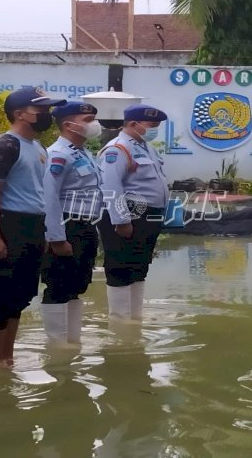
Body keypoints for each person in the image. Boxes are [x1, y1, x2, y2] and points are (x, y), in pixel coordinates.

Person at [0, 87, 66, 364]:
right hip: (7, 225)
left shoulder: (37, 147)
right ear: (19, 114)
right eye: (41, 110)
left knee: (19, 298)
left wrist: (46, 232)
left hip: (31, 227)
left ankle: (8, 358)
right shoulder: (5, 144)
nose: (47, 115)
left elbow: (39, 192)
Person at [97, 104, 170, 322]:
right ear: (132, 124)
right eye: (151, 125)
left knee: (139, 266)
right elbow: (110, 186)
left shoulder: (146, 148)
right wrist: (121, 220)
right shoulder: (117, 149)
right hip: (127, 215)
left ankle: (134, 318)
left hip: (148, 216)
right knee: (120, 268)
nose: (154, 129)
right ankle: (119, 322)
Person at [40, 101, 103, 345]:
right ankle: (56, 346)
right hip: (67, 228)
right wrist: (56, 237)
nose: (94, 125)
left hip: (86, 227)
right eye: (87, 120)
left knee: (77, 285)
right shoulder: (57, 155)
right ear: (68, 124)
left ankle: (73, 341)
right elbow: (49, 198)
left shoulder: (84, 153)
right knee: (58, 285)